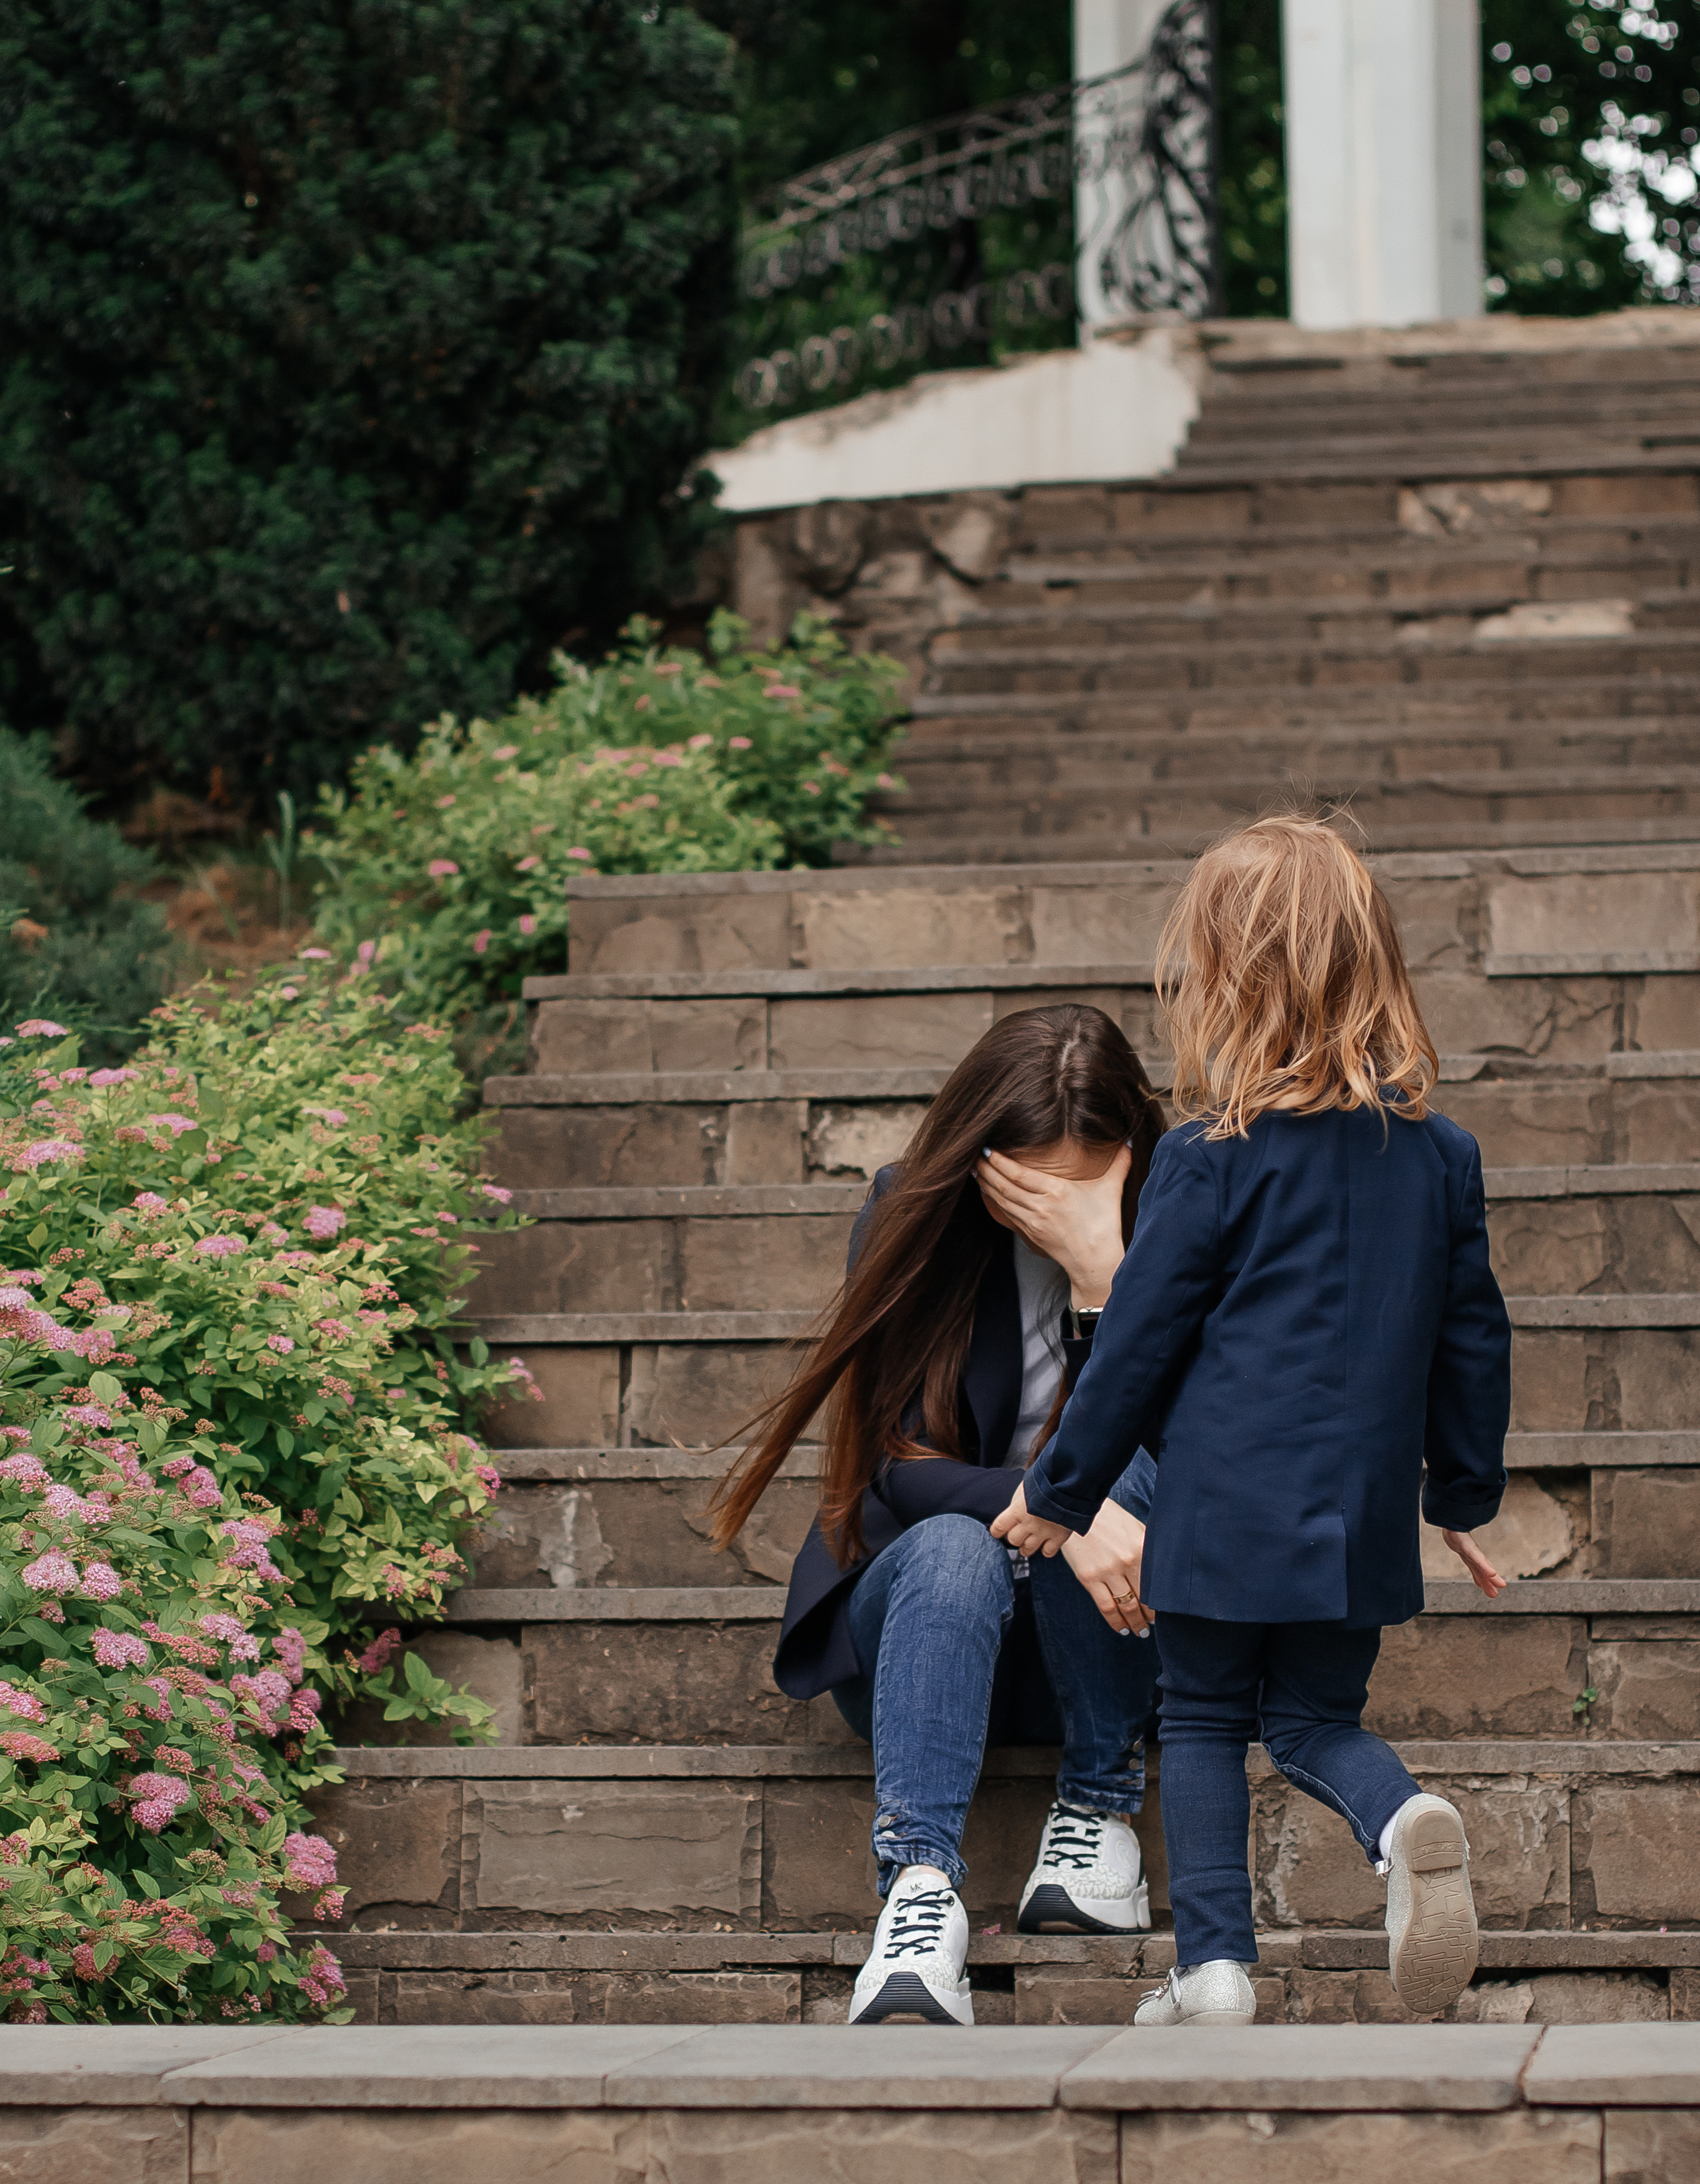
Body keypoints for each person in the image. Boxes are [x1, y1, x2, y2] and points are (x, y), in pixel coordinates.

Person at [995, 816, 1513, 2027]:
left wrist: (1062, 1493)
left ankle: (1215, 1969)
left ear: (1226, 983)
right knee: (1320, 1719)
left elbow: (1135, 1346)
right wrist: (1464, 1497)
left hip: (1222, 1511)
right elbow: (1473, 1340)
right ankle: (1398, 1818)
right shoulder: (1441, 1158)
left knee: (1210, 1719)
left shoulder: (1211, 1162)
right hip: (1363, 1518)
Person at [709, 1004, 1167, 2026]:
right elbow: (897, 1470)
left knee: (1124, 1469)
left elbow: (1200, 1452)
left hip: (1110, 1644)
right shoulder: (913, 1215)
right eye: (1029, 1187)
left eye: (1084, 1185)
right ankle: (920, 1902)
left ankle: (1097, 1807)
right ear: (981, 1160)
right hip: (927, 1644)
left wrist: (1105, 1277)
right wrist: (1058, 1506)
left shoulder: (1184, 1222)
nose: (1053, 1208)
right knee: (962, 1540)